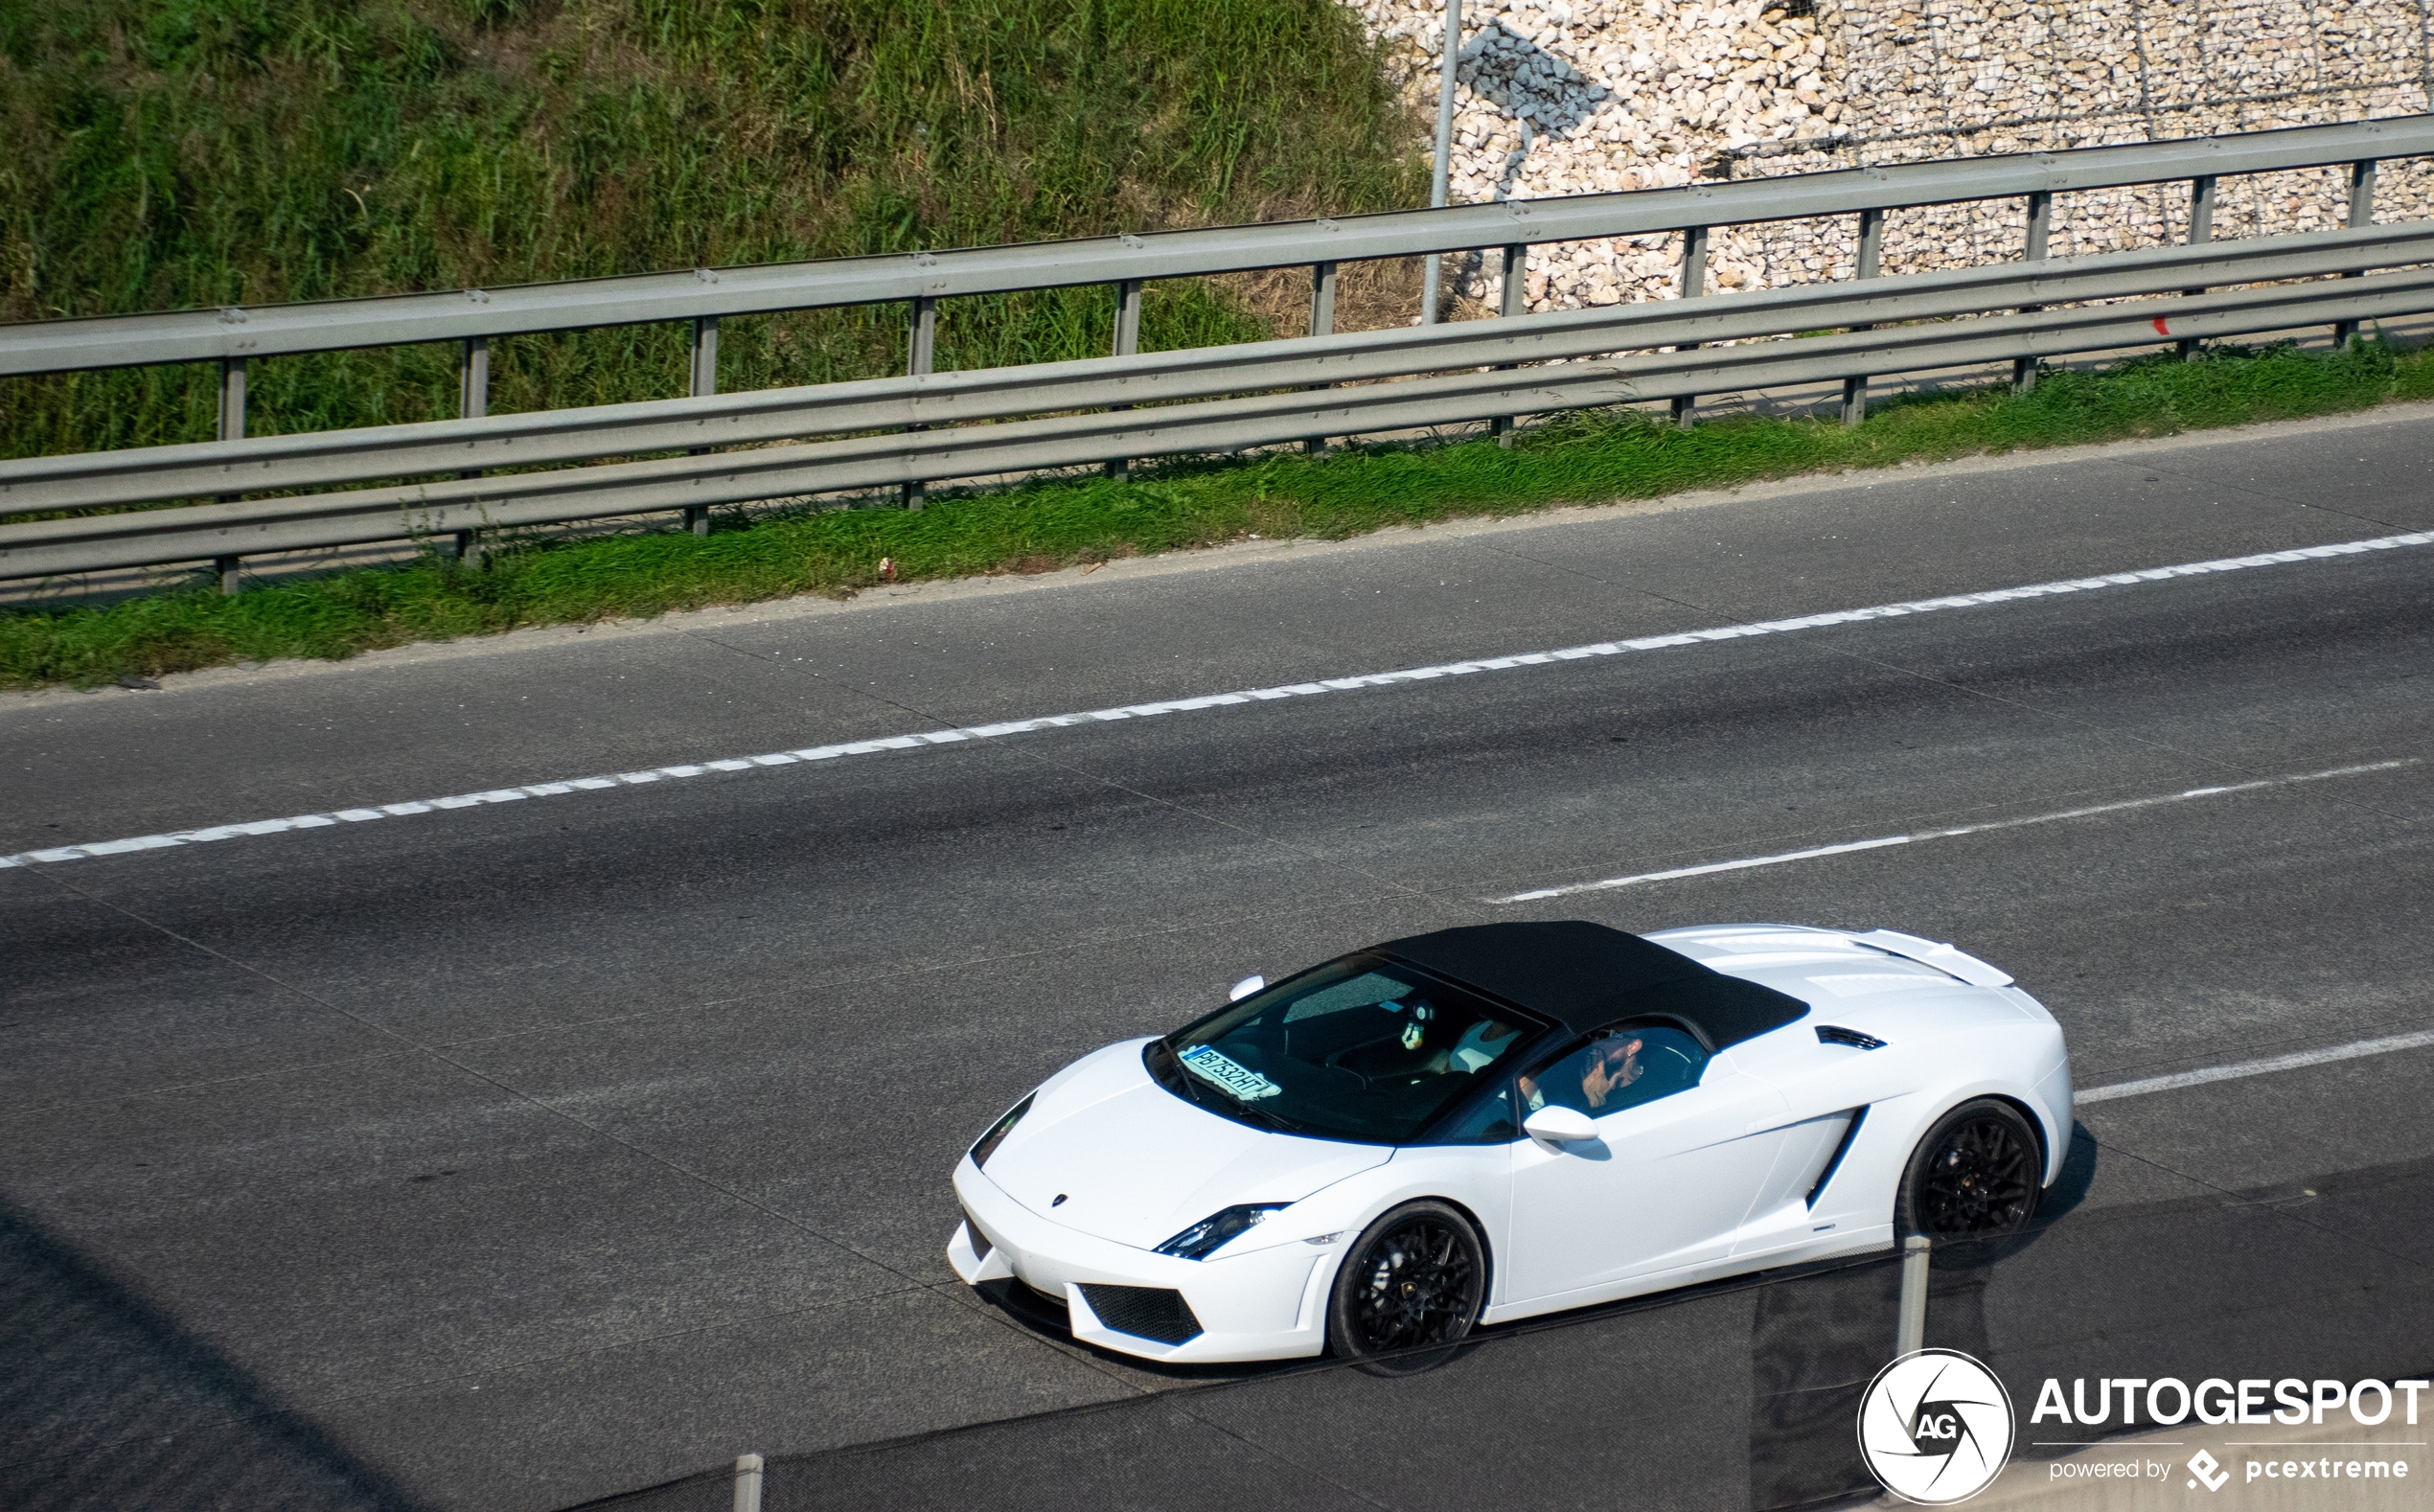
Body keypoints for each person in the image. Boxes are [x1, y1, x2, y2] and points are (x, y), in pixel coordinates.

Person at [1520, 1034, 1644, 1114]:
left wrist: (1597, 1101)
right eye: (1595, 1034)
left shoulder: (1650, 1091)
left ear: (1633, 1046)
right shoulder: (1574, 1079)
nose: (1594, 1042)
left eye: (1607, 1035)